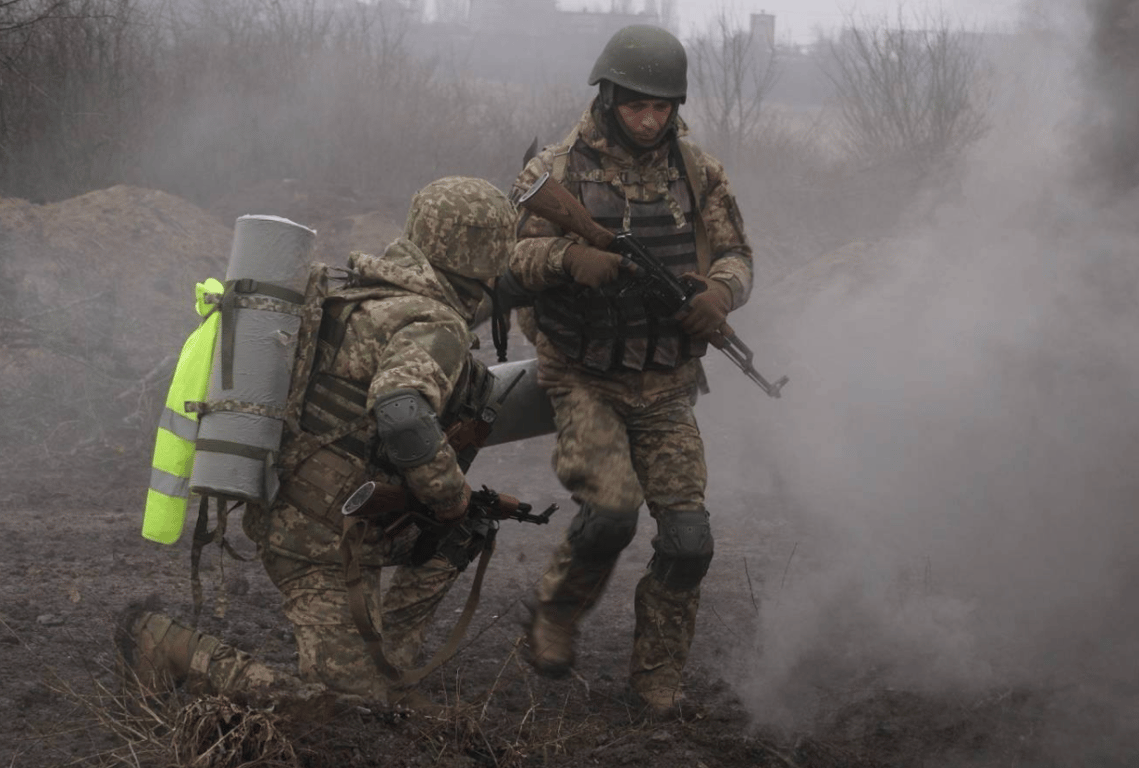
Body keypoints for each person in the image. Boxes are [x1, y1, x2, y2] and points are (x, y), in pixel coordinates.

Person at [117, 176, 520, 711]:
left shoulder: (361, 293)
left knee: (462, 531)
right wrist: (449, 495)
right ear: (486, 255)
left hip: (312, 509)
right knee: (340, 712)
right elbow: (401, 413)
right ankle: (169, 647)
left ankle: (389, 669)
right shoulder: (433, 322)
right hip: (322, 540)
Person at [504, 24, 754, 716]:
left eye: (661, 108)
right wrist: (566, 260)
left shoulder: (699, 172)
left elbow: (737, 254)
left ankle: (657, 676)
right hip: (581, 374)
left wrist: (720, 294)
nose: (649, 121)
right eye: (636, 106)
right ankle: (556, 613)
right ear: (610, 96)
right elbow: (512, 263)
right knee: (612, 512)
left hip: (667, 381)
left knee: (688, 540)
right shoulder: (556, 170)